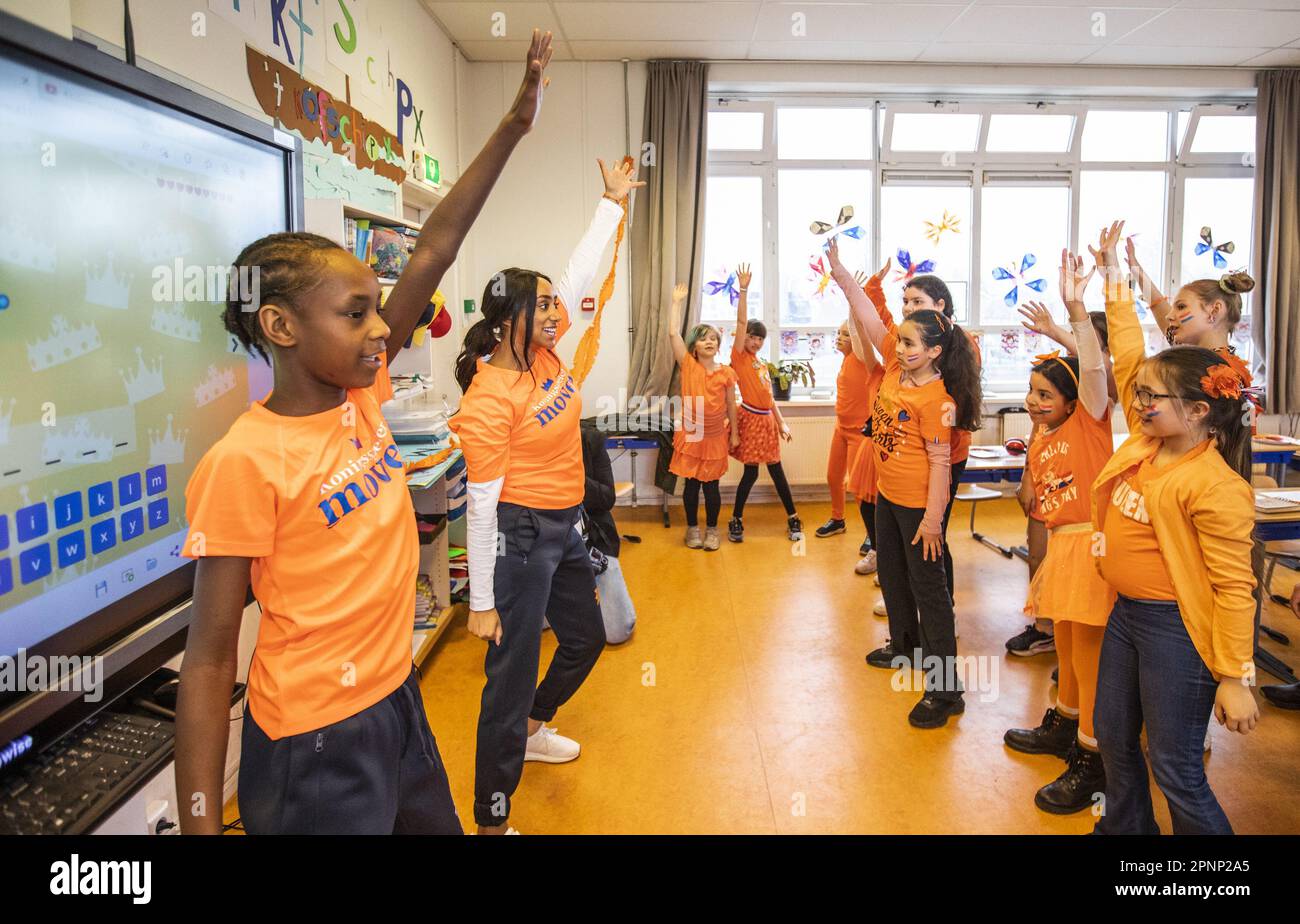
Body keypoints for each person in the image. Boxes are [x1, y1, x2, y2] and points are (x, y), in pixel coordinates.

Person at [175, 31, 557, 835]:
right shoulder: (243, 461)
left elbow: (437, 246)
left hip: (395, 699)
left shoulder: (365, 397)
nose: (381, 327)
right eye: (356, 315)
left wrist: (516, 127)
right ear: (280, 325)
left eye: (377, 308)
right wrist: (204, 826)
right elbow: (209, 662)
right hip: (314, 742)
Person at [449, 157, 644, 835]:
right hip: (520, 539)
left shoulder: (547, 353)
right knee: (507, 677)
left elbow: (583, 268)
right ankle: (491, 821)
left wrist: (611, 203)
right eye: (545, 306)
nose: (559, 312)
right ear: (509, 321)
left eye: (556, 304)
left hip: (565, 530)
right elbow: (480, 505)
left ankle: (534, 729)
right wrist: (478, 604)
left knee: (586, 638)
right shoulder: (488, 399)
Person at [1089, 220, 1259, 835]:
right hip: (1128, 614)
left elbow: (1236, 589)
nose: (1139, 402)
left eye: (1152, 398)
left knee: (1176, 766)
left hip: (1176, 628)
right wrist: (1113, 272)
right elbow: (1131, 350)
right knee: (1111, 734)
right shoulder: (1147, 437)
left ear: (1197, 411)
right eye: (1140, 396)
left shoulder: (1215, 485)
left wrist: (1236, 677)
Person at [828, 240, 983, 728]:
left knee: (930, 591)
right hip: (890, 498)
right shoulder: (897, 366)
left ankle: (946, 690)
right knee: (892, 575)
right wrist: (839, 273)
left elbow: (942, 465)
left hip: (919, 506)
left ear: (935, 351)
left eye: (910, 343)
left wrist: (934, 522)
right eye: (900, 341)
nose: (899, 347)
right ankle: (904, 645)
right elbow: (867, 316)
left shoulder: (939, 398)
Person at [1003, 249, 1116, 814]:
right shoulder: (1044, 434)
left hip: (1094, 550)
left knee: (1092, 659)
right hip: (1064, 553)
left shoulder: (1091, 422)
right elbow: (1032, 497)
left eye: (1046, 396)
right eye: (1031, 393)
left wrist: (1073, 315)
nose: (1035, 402)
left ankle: (1096, 762)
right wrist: (1032, 432)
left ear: (1073, 402)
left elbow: (1093, 370)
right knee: (1066, 652)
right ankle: (1067, 729)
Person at [726, 264, 802, 543]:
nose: (755, 341)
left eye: (760, 338)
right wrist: (743, 290)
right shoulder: (739, 357)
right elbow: (740, 322)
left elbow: (769, 399)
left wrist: (782, 422)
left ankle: (793, 517)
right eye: (752, 336)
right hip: (750, 419)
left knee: (776, 470)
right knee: (750, 473)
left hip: (767, 420)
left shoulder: (759, 363)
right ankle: (736, 519)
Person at [667, 283, 739, 551]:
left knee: (711, 487)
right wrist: (676, 302)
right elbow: (672, 332)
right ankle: (692, 529)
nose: (710, 341)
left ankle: (712, 530)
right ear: (694, 346)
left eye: (713, 338)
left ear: (718, 345)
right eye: (704, 338)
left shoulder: (726, 373)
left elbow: (731, 405)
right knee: (691, 486)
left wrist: (735, 433)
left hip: (715, 436)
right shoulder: (688, 366)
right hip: (691, 433)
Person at [817, 311, 878, 549]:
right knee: (833, 477)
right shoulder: (845, 359)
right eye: (838, 334)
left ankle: (871, 533)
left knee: (860, 488)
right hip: (841, 428)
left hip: (859, 433)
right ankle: (837, 519)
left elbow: (858, 329)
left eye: (845, 334)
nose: (839, 338)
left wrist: (854, 304)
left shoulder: (863, 358)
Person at [579, 419, 636, 644]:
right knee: (541, 624)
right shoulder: (529, 445)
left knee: (617, 632)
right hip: (549, 546)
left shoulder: (589, 439)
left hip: (593, 540)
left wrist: (572, 475)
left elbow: (606, 497)